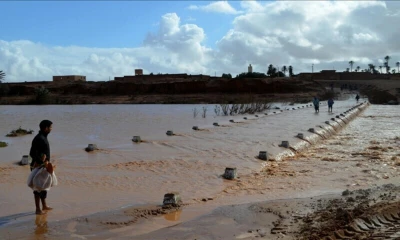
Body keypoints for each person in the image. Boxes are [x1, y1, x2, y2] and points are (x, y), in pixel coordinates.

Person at [29, 120, 53, 215]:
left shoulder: (43, 137)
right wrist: (40, 161)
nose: (51, 129)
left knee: (44, 186)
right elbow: (32, 153)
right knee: (37, 188)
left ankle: (44, 206)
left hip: (44, 166)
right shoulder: (39, 138)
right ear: (45, 128)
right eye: (50, 127)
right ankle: (37, 209)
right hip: (38, 166)